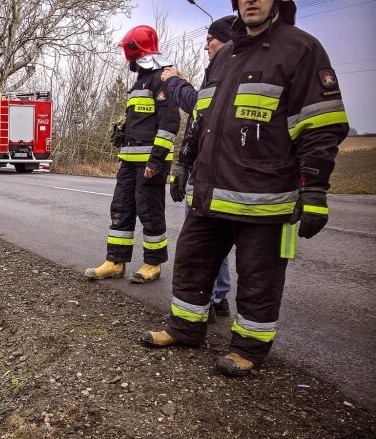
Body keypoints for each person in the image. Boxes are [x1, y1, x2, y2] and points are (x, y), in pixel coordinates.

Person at [141, 0, 348, 376]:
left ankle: (248, 349)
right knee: (192, 261)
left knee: (258, 277)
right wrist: (185, 162)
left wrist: (315, 189)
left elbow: (321, 125)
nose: (251, 1)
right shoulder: (225, 55)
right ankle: (184, 329)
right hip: (210, 193)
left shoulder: (302, 48)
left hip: (265, 198)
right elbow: (202, 116)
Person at [84, 24, 180, 284]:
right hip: (129, 162)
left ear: (135, 50)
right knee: (121, 209)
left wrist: (156, 161)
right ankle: (115, 262)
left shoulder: (162, 79)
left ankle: (153, 264)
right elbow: (140, 121)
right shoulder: (141, 80)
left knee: (150, 213)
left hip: (151, 163)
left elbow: (169, 124)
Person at [161, 15, 237, 323]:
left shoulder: (231, 69)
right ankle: (218, 297)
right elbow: (197, 124)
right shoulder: (219, 71)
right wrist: (183, 163)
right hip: (205, 170)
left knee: (205, 240)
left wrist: (174, 82)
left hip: (219, 175)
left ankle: (212, 299)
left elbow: (197, 105)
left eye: (210, 38)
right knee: (212, 239)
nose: (205, 44)